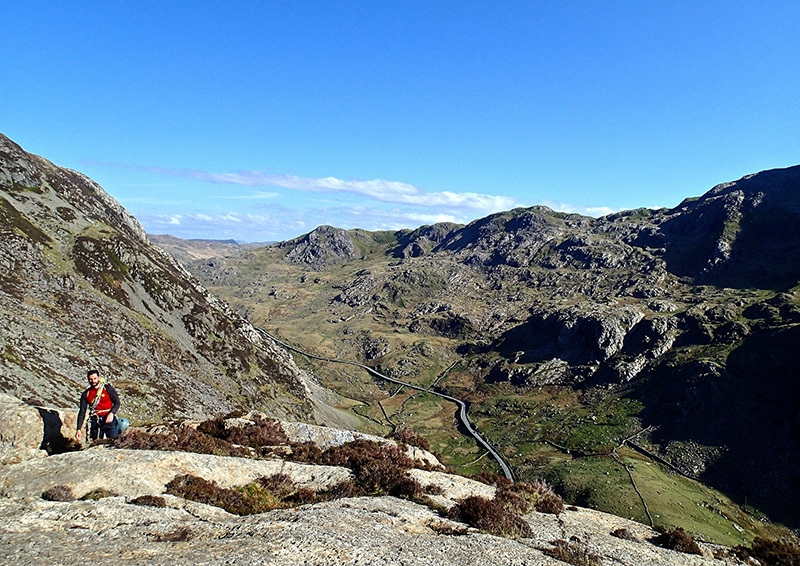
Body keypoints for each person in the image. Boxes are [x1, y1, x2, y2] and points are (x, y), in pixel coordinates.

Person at [75, 369, 121, 442]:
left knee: (114, 441)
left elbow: (117, 402)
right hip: (95, 421)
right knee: (95, 442)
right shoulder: (86, 394)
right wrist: (78, 429)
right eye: (90, 379)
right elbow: (82, 412)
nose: (93, 381)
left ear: (99, 378)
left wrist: (112, 413)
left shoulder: (108, 389)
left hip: (109, 419)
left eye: (95, 378)